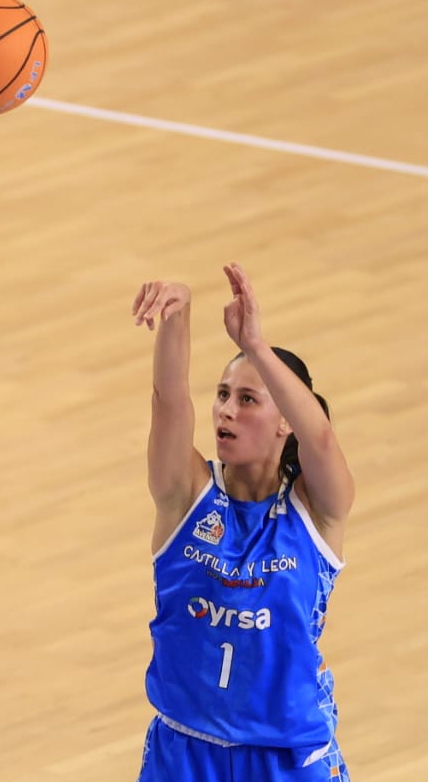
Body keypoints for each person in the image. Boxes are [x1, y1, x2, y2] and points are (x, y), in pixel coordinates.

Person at [131, 263, 355, 780]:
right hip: (185, 751)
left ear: (286, 422)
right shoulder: (184, 494)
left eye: (247, 399)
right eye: (223, 395)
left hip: (288, 755)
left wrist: (256, 346)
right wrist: (177, 315)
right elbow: (169, 403)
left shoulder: (317, 508)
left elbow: (319, 438)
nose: (226, 411)